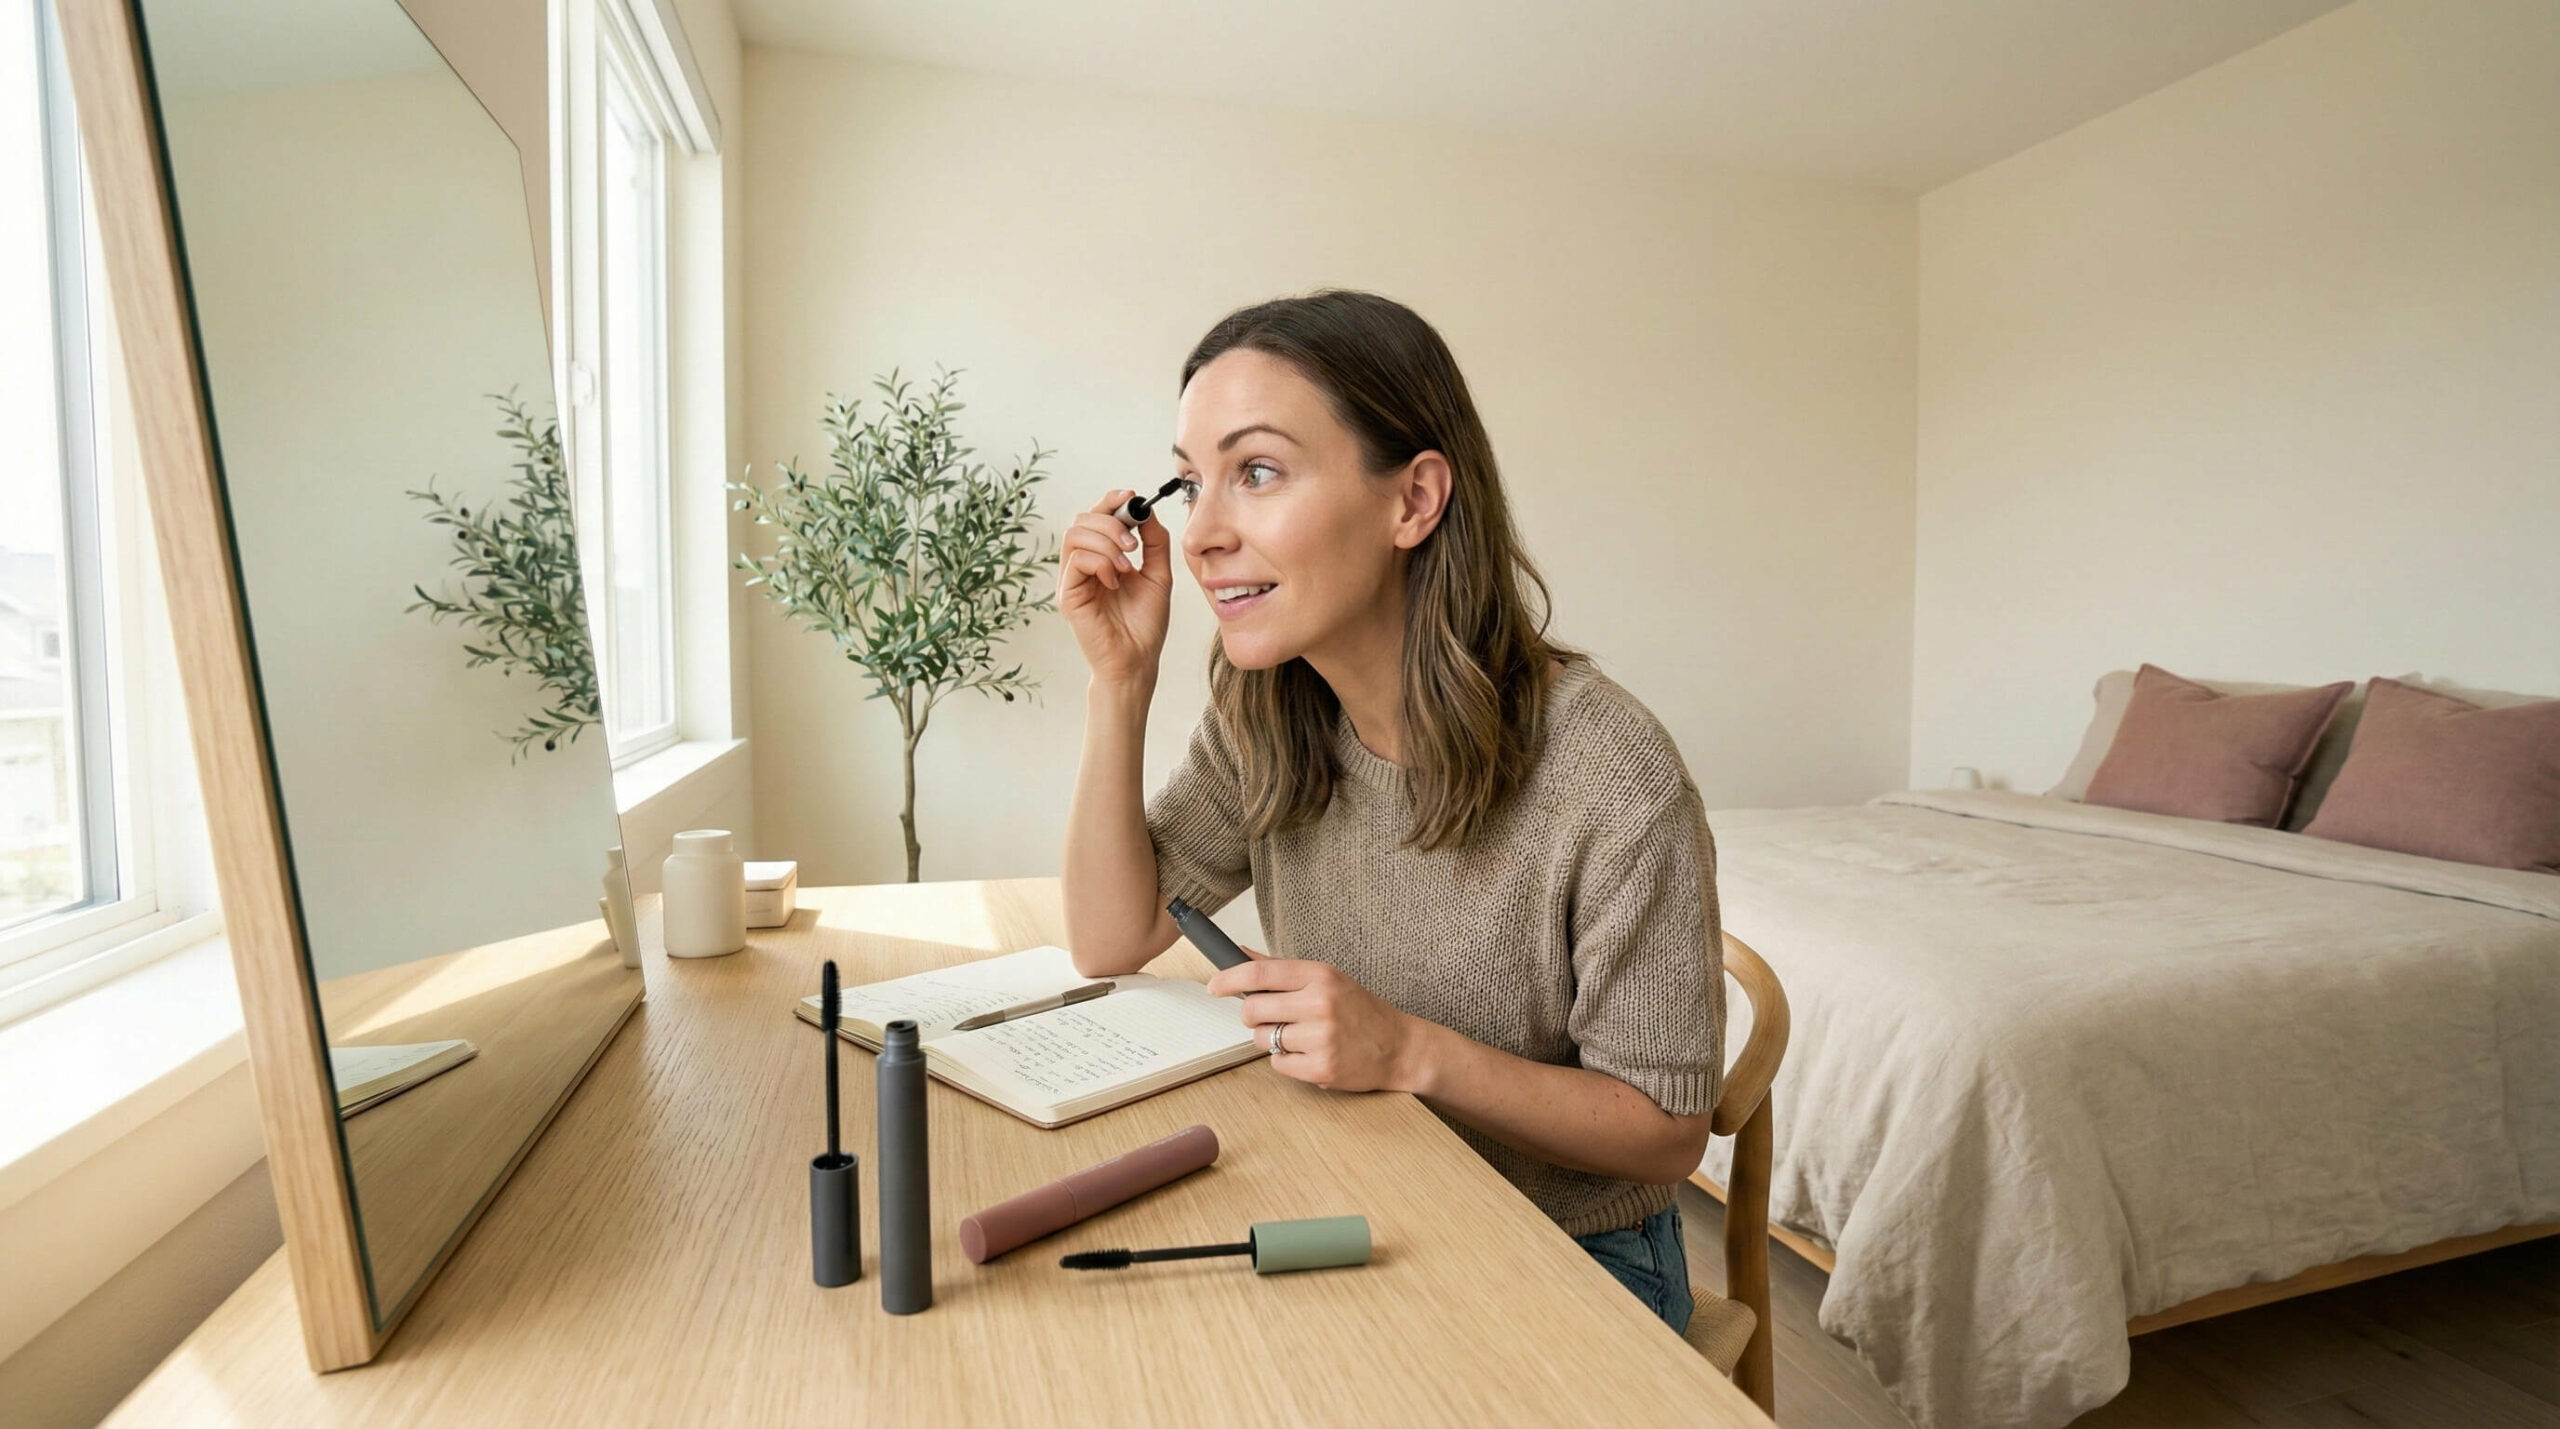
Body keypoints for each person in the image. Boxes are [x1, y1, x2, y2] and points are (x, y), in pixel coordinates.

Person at [1057, 289, 1722, 1333]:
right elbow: (1110, 936)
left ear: (1413, 500)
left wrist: (1408, 1051)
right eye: (1190, 486)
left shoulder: (1608, 771)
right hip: (1365, 1200)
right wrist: (1119, 682)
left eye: (1258, 472)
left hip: (1575, 1253)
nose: (1202, 535)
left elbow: (1668, 1132)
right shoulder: (1268, 712)